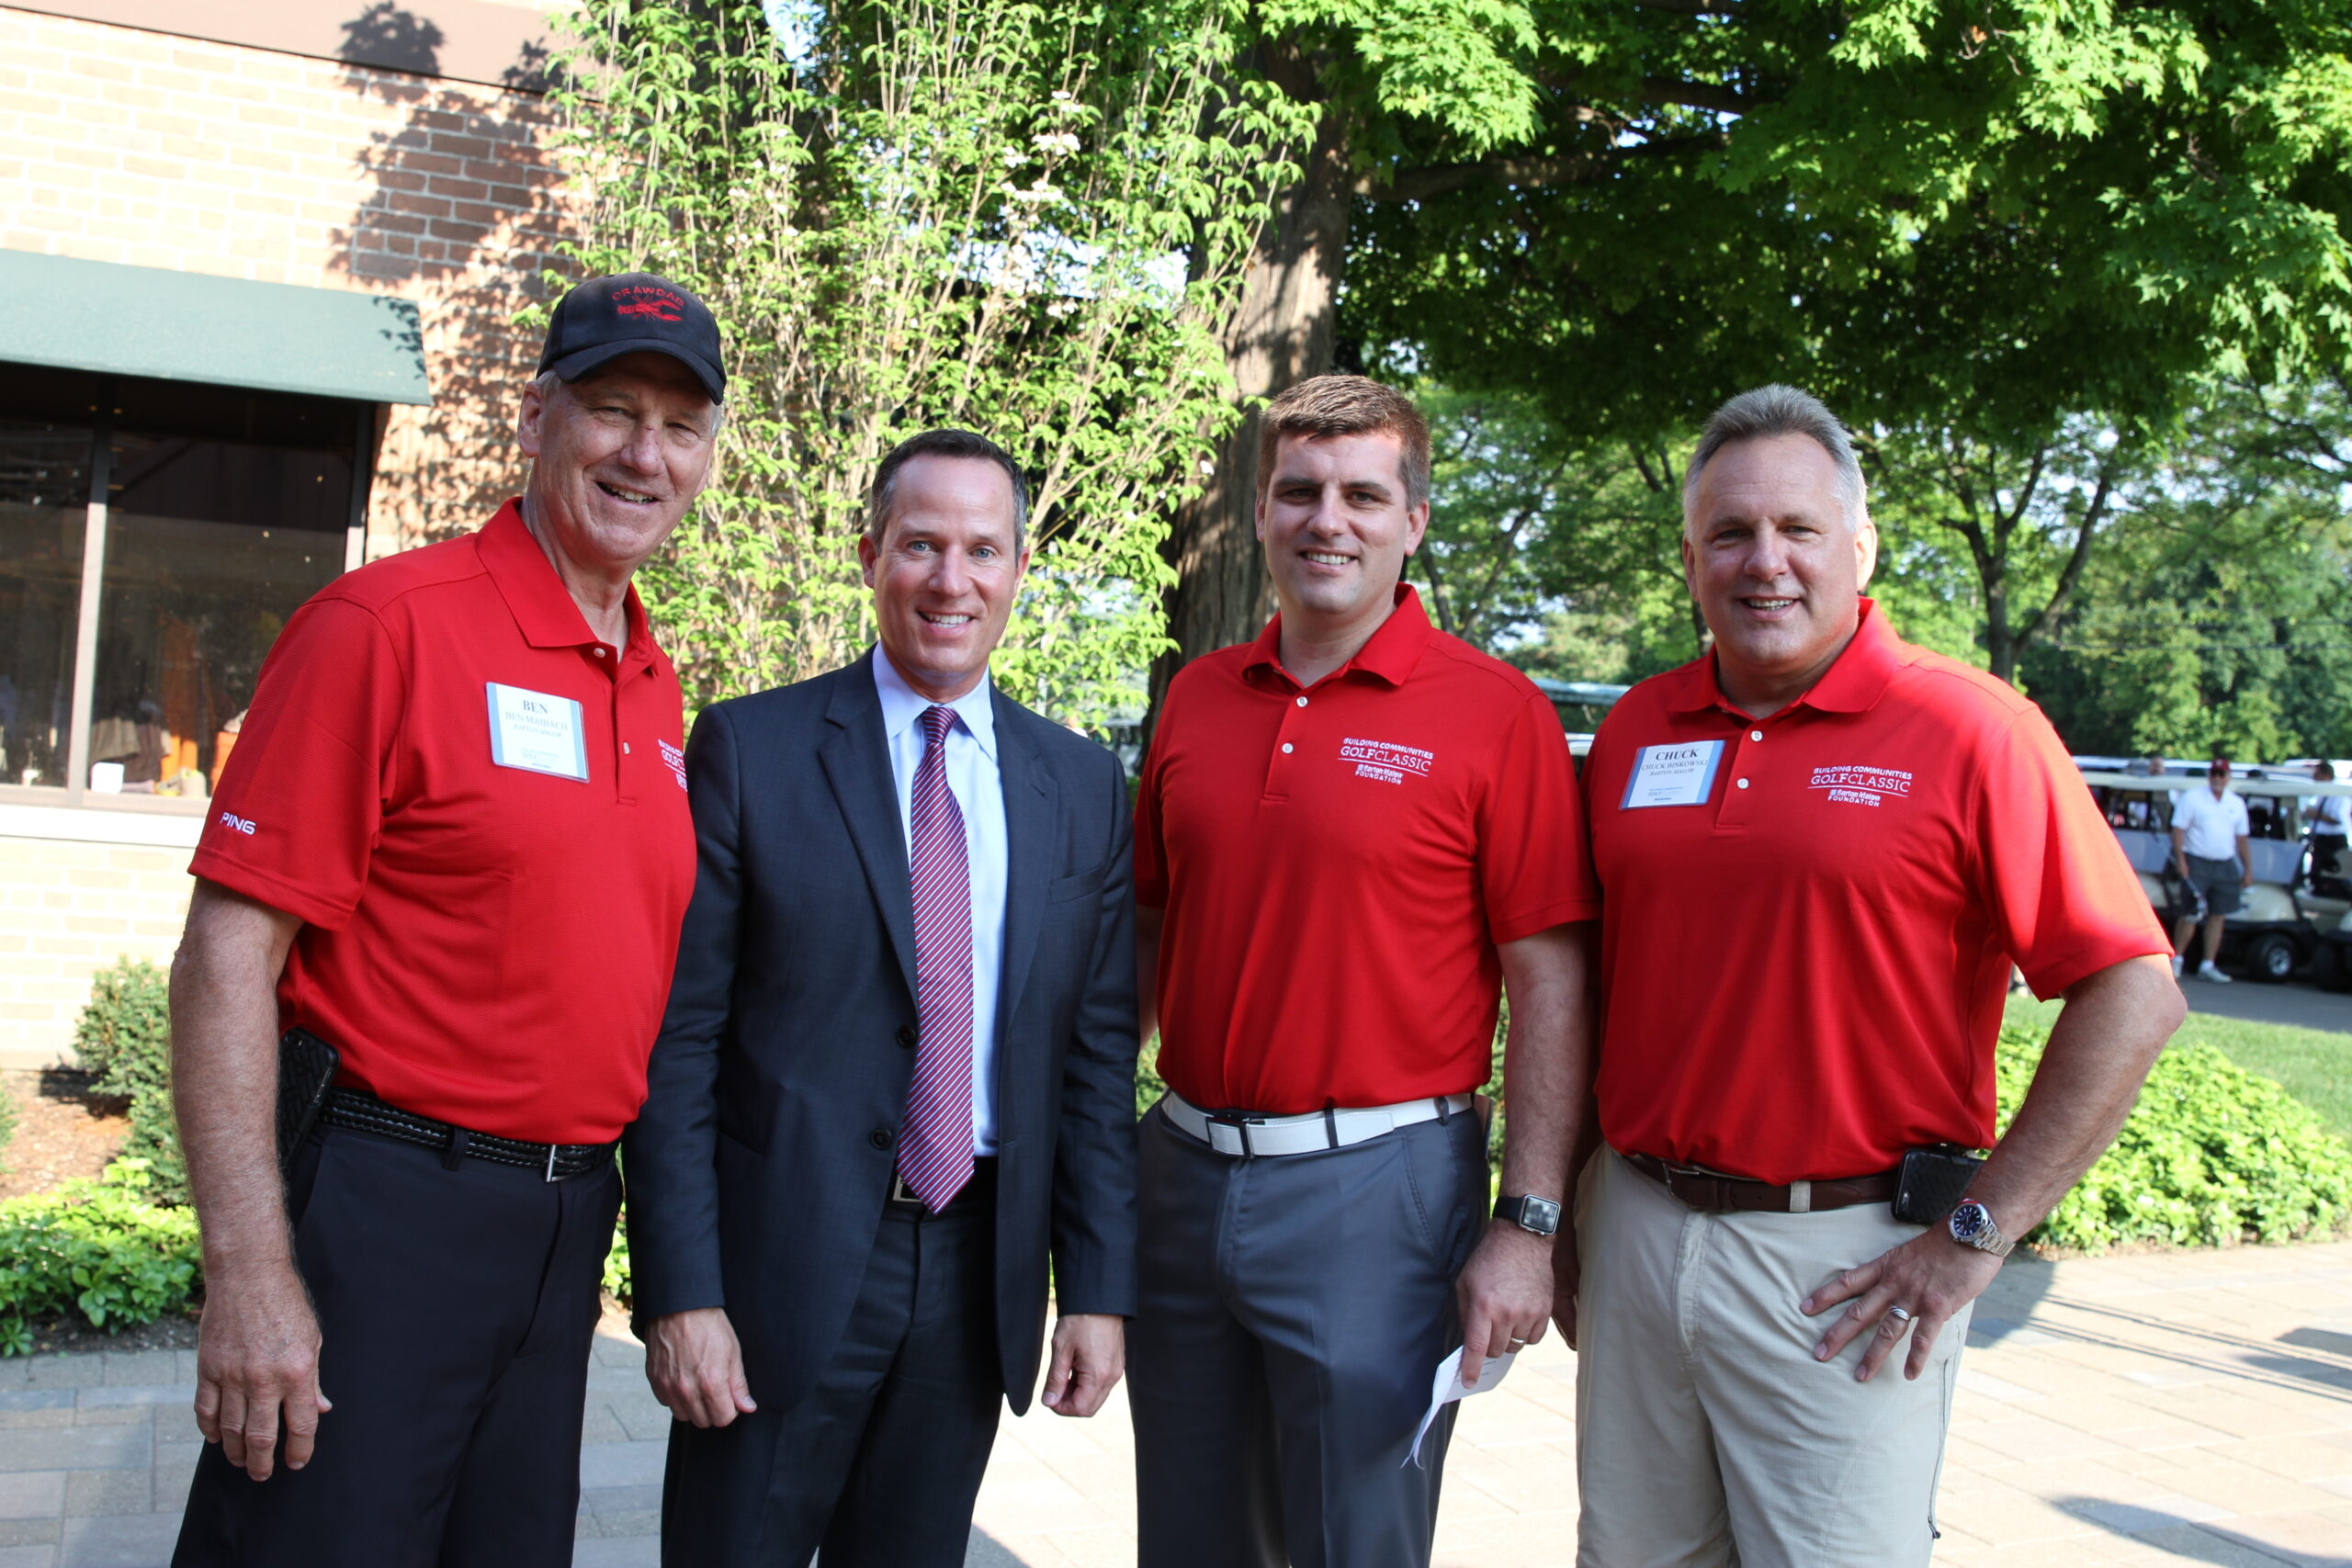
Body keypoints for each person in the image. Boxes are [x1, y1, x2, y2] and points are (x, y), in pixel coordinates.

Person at [1572, 385, 2183, 1566]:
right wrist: (1549, 1207)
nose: (1765, 563)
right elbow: (1588, 983)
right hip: (1638, 1231)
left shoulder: (1970, 728)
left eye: (1798, 530)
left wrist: (1976, 1231)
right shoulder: (1639, 732)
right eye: (1730, 534)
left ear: (1860, 545)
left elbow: (2134, 987)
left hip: (1843, 1265)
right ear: (1689, 556)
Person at [170, 273, 725, 1566]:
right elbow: (224, 958)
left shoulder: (650, 678)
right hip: (385, 1209)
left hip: (560, 1227)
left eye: (679, 425)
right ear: (536, 418)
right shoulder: (383, 627)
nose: (644, 453)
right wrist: (249, 1270)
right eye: (610, 409)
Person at [623, 428, 1138, 1567]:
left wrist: (1097, 1288)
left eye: (981, 550)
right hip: (777, 1270)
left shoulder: (1082, 787)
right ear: (869, 556)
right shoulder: (753, 749)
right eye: (919, 545)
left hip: (974, 1270)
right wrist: (681, 1291)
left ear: (1015, 571)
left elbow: (1095, 1060)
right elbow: (678, 1044)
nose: (950, 580)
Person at [1129, 375, 1599, 1568]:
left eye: (1361, 494)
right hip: (1181, 1174)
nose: (1326, 518)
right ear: (1261, 510)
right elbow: (1144, 932)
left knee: (1354, 1543)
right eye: (1299, 490)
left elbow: (1551, 981)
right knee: (1189, 1535)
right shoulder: (1195, 697)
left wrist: (1528, 1221)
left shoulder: (1498, 715)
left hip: (1378, 1194)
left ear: (1413, 521)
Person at [2171, 756, 2253, 981]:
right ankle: (2177, 959)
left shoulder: (2236, 803)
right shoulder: (2193, 798)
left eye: (2222, 774)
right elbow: (2178, 830)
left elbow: (2242, 839)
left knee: (2218, 915)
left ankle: (2208, 963)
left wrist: (2248, 869)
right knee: (2191, 911)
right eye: (2214, 774)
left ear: (2228, 778)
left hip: (2224, 862)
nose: (2217, 778)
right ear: (2209, 776)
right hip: (2197, 859)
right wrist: (2181, 860)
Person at [2305, 760, 2348, 896]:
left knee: (2333, 874)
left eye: (2317, 775)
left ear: (2327, 776)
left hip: (2333, 840)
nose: (2314, 778)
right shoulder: (2320, 794)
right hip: (2320, 839)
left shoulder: (2339, 794)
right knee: (2316, 873)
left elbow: (2338, 819)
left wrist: (2316, 815)